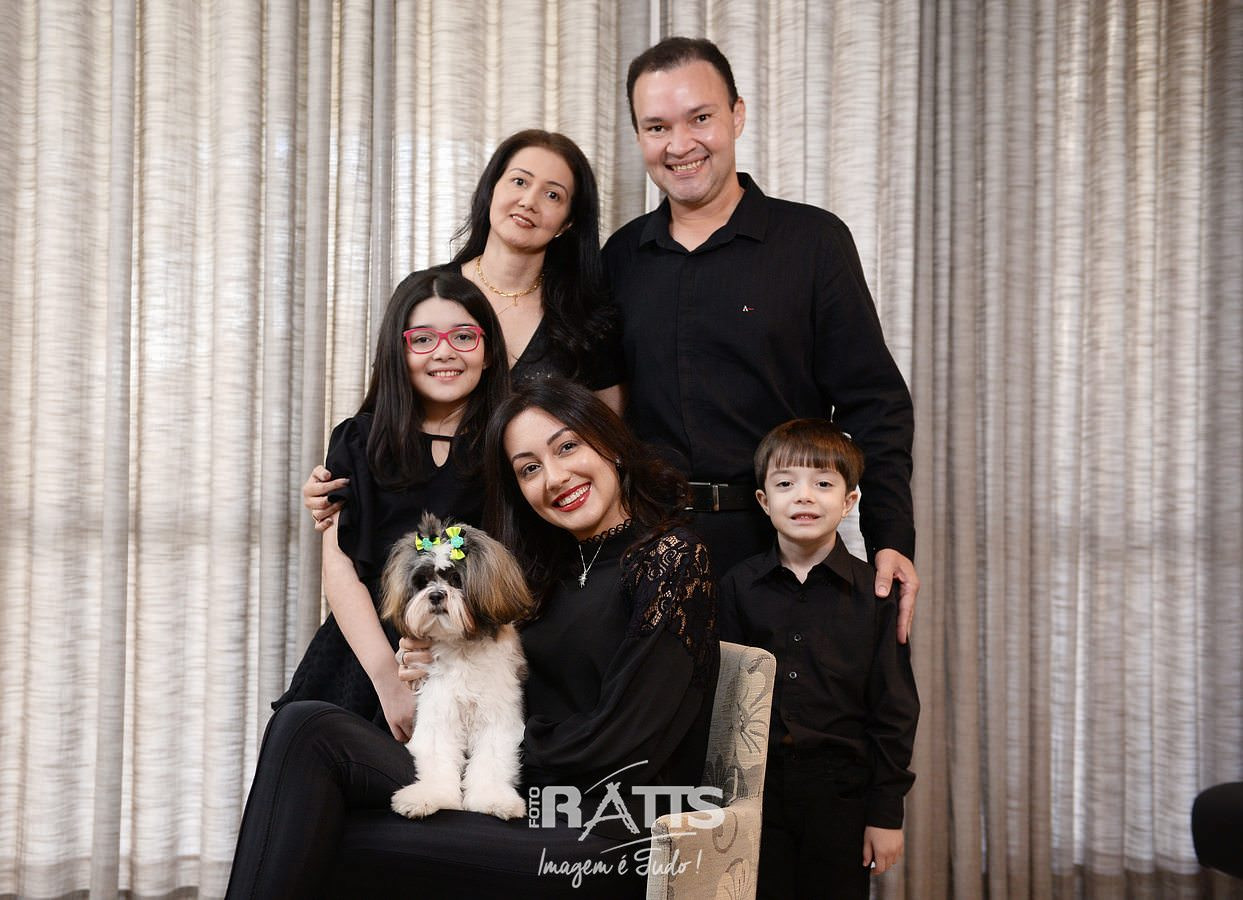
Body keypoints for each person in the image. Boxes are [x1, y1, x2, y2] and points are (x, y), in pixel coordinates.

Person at [225, 380, 719, 899]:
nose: (555, 477)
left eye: (567, 447)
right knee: (305, 724)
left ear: (610, 444)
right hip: (501, 776)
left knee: (327, 831)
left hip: (597, 819)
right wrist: (436, 671)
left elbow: (628, 738)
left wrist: (498, 738)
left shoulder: (672, 559)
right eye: (529, 468)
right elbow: (496, 678)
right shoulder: (539, 569)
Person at [603, 36, 920, 642]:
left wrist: (890, 537)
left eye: (700, 118)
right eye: (657, 127)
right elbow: (598, 413)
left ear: (737, 115)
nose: (680, 144)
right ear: (639, 135)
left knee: (785, 709)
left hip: (786, 551)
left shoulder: (813, 242)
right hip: (653, 553)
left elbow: (875, 404)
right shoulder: (620, 257)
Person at [306, 129, 621, 532]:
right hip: (435, 533)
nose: (529, 201)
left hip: (544, 534)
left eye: (552, 194)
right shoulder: (428, 293)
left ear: (568, 222)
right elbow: (387, 410)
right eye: (519, 181)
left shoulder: (586, 317)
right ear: (491, 189)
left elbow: (609, 442)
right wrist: (334, 483)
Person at [272, 268, 510, 740]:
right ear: (397, 353)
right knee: (303, 754)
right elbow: (339, 567)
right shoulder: (359, 440)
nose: (444, 351)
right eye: (422, 339)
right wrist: (388, 681)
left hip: (473, 657)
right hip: (364, 657)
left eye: (464, 336)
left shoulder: (510, 443)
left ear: (488, 352)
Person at [717, 419, 918, 899]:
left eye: (823, 484)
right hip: (755, 794)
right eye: (785, 483)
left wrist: (886, 814)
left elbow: (894, 709)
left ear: (849, 501)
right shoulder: (738, 586)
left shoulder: (875, 595)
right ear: (764, 500)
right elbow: (722, 701)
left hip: (842, 795)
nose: (803, 496)